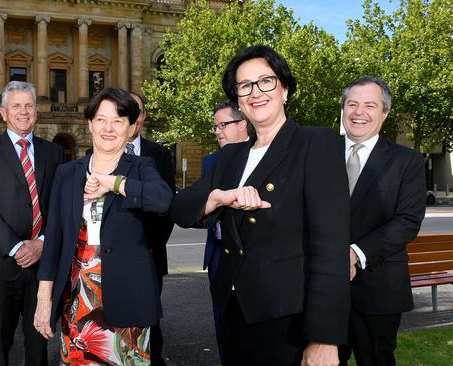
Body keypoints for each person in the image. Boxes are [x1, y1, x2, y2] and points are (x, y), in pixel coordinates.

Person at [171, 45, 350, 365]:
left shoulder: (315, 143)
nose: (255, 92)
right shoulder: (230, 157)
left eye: (265, 81)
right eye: (245, 86)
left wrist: (323, 338)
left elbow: (331, 249)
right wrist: (217, 198)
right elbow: (181, 208)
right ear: (238, 99)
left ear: (285, 89)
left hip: (289, 320)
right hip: (233, 313)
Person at [33, 87, 173, 365]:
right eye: (101, 119)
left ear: (131, 127)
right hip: (77, 298)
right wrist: (43, 298)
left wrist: (114, 183)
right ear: (90, 124)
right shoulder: (67, 173)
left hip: (129, 296)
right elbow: (54, 242)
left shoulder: (141, 167)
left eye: (118, 121)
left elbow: (162, 200)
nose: (109, 128)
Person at [0, 81, 64, 366]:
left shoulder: (53, 153)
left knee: (38, 345)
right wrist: (17, 246)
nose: (23, 112)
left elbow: (60, 207)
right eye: (16, 106)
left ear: (37, 110)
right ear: (3, 113)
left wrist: (42, 243)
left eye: (29, 105)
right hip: (0, 265)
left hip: (42, 268)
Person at [337, 76, 426, 366]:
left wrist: (354, 253)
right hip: (322, 288)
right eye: (352, 104)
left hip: (379, 289)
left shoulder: (407, 161)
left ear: (384, 113)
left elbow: (408, 221)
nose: (359, 112)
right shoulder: (318, 155)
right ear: (343, 109)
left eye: (369, 105)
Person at [127, 92, 176, 365]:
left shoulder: (160, 154)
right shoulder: (94, 155)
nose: (133, 116)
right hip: (110, 258)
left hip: (149, 255)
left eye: (138, 110)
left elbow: (166, 207)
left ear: (144, 117)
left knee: (150, 323)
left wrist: (148, 246)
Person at [202, 99, 249, 362]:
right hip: (219, 256)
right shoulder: (210, 162)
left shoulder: (263, 155)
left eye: (224, 124)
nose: (218, 131)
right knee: (223, 324)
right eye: (215, 126)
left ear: (243, 124)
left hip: (254, 257)